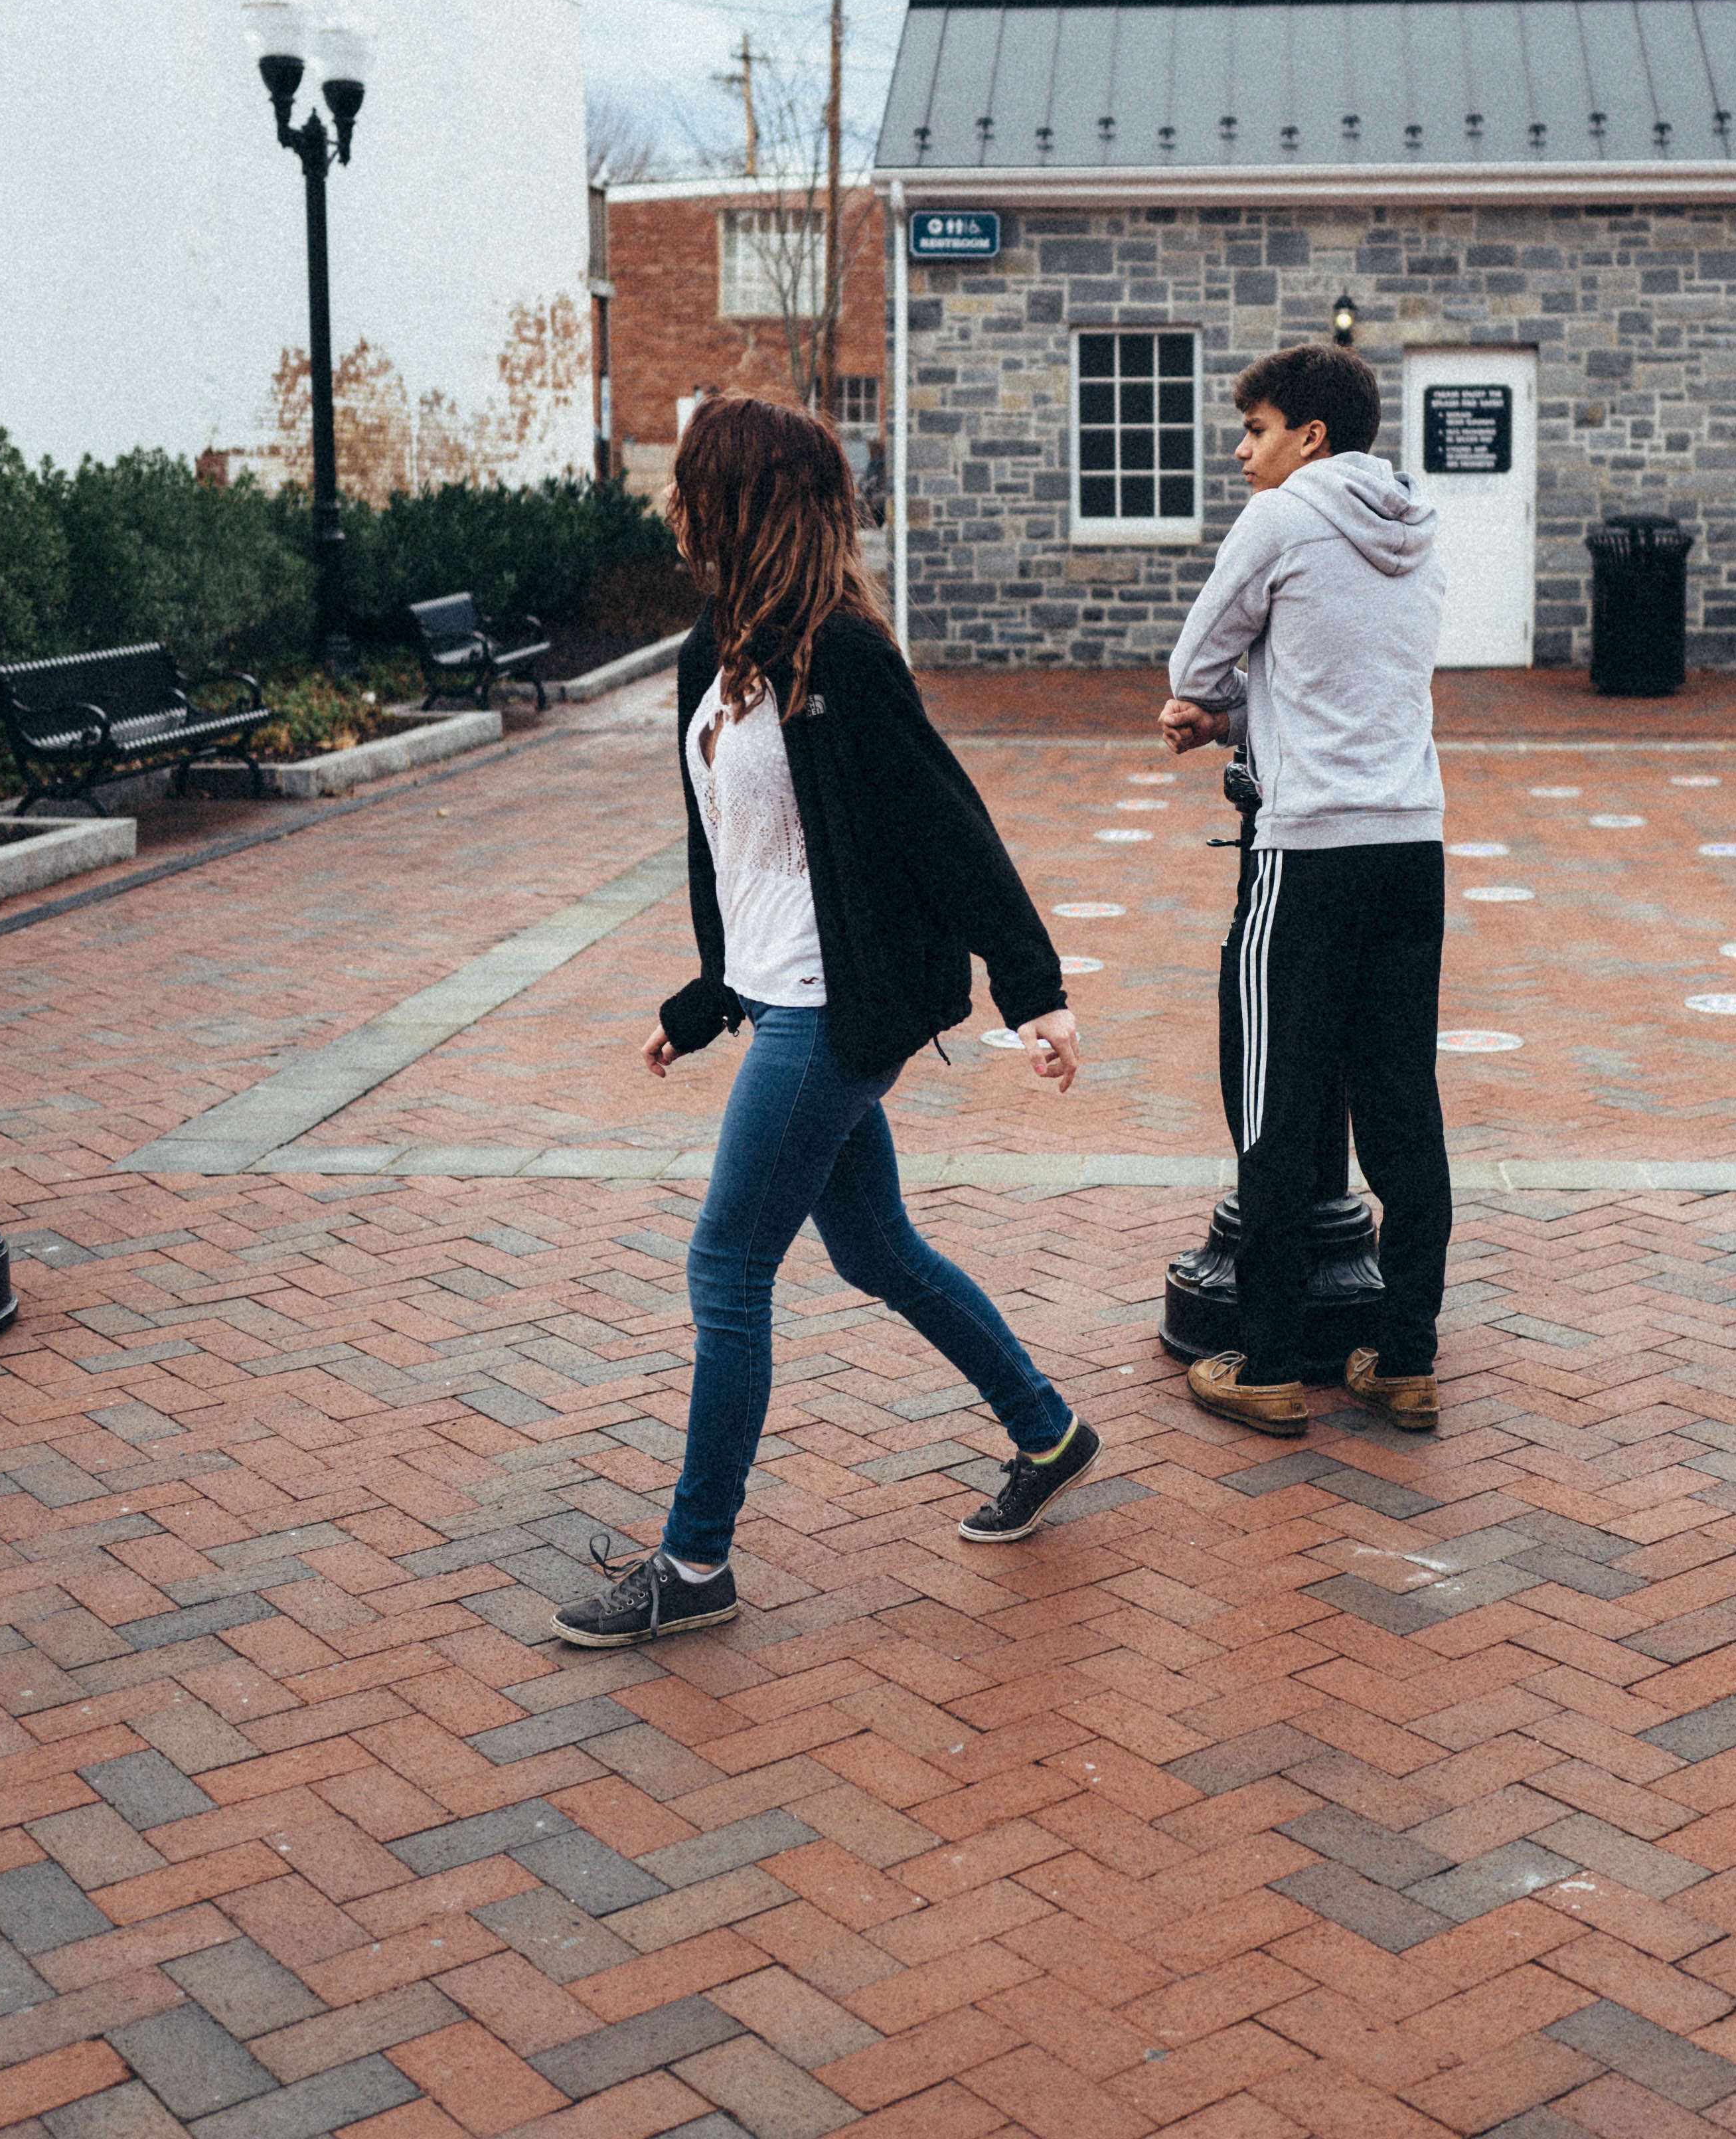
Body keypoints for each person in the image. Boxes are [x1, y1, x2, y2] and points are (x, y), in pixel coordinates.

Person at [555, 392, 1101, 1648]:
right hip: (773, 996)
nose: (673, 500)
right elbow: (732, 853)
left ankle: (696, 1562)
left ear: (744, 500)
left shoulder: (840, 656)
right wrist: (706, 1000)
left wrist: (1035, 991)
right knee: (874, 1248)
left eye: (692, 480)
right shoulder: (713, 651)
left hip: (829, 1012)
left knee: (726, 1265)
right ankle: (1047, 1430)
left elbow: (947, 823)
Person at [1158, 341, 1451, 1441]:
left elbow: (1195, 667)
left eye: (1257, 429)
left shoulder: (1279, 520)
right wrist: (1251, 709)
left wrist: (1215, 711)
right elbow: (1344, 678)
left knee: (1274, 1108)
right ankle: (1406, 1362)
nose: (1242, 452)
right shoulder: (1421, 529)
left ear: (1311, 437)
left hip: (1308, 852)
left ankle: (1272, 1366)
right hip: (1412, 843)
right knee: (1402, 1108)